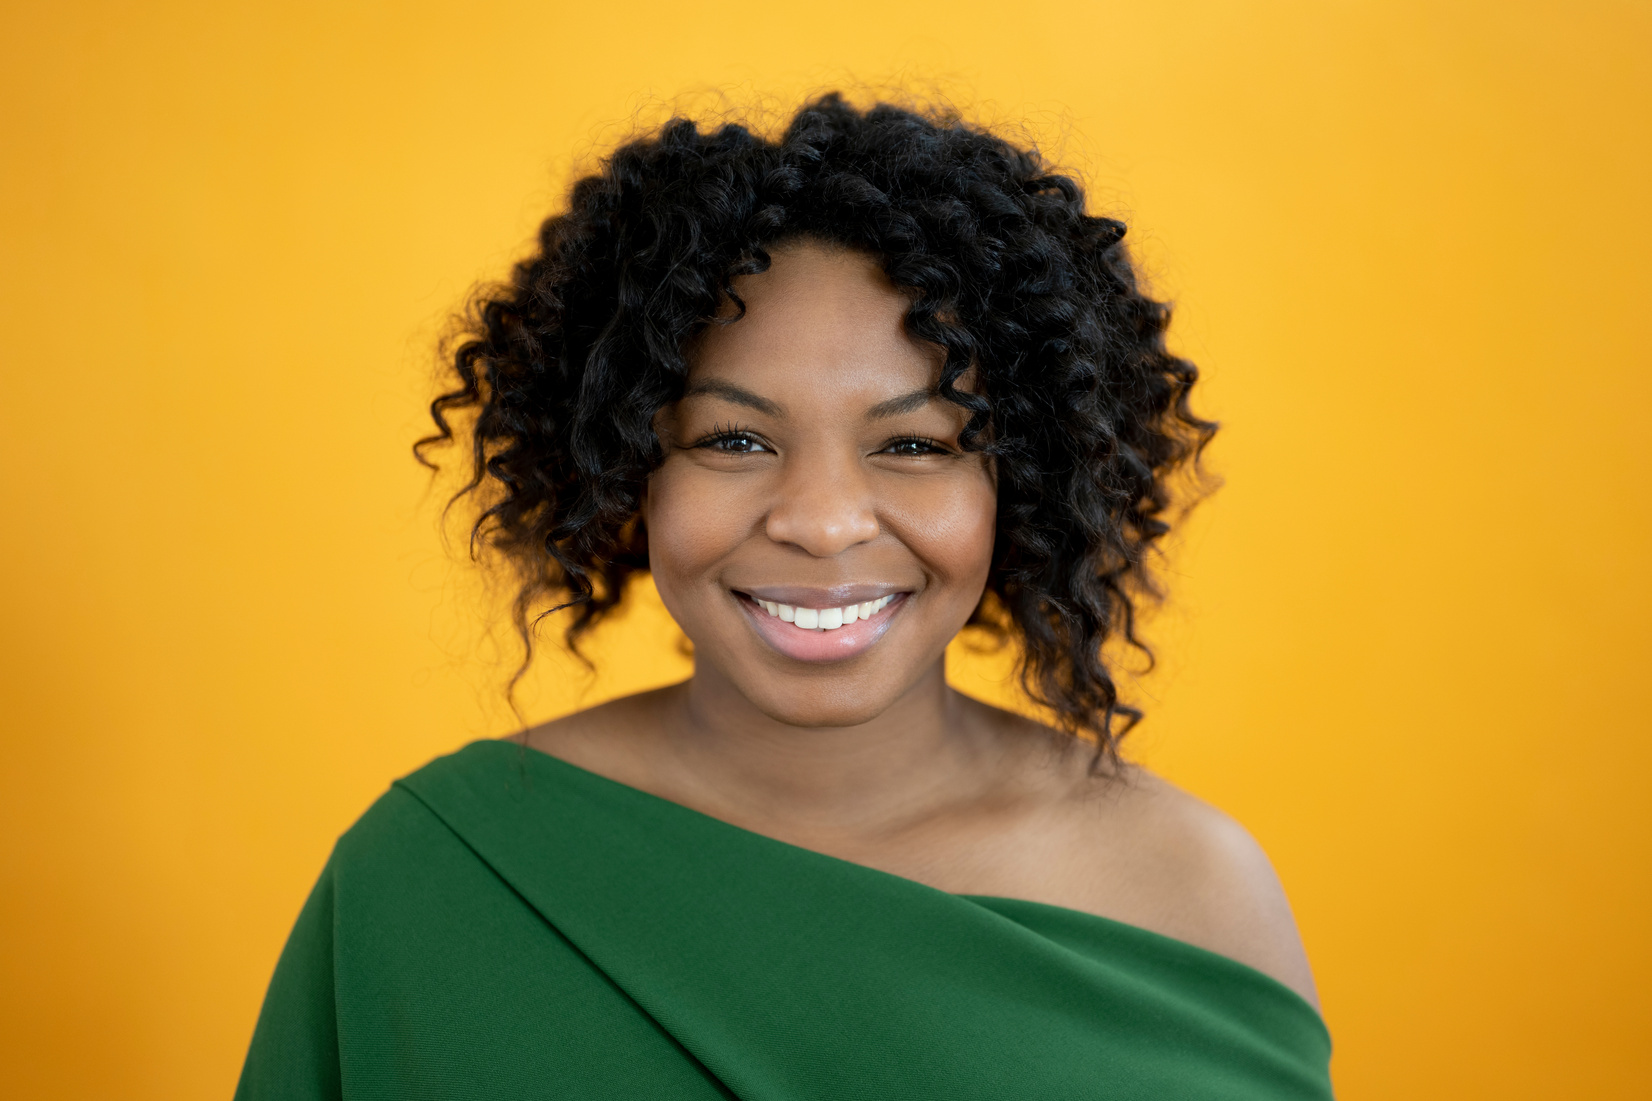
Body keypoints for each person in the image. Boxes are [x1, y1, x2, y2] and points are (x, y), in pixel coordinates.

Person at [236, 93, 1332, 1099]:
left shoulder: (1184, 891)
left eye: (912, 443)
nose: (820, 519)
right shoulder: (434, 877)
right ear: (627, 467)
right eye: (736, 439)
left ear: (1023, 482)